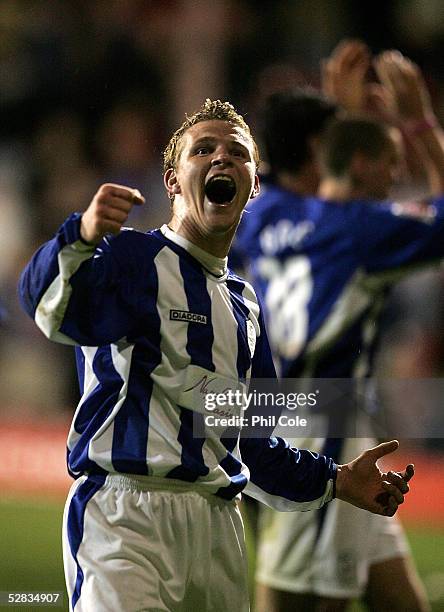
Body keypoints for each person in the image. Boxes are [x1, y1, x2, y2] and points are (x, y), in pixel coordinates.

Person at [19, 99, 413, 612]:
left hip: (217, 530)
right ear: (173, 180)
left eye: (238, 152)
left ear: (252, 185)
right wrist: (79, 237)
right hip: (125, 520)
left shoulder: (245, 305)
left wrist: (336, 480)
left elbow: (254, 443)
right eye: (203, 149)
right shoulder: (133, 260)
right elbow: (45, 304)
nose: (221, 159)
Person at [232, 51, 441, 612]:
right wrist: (418, 123)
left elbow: (306, 193)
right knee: (294, 599)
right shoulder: (357, 230)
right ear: (321, 152)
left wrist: (346, 122)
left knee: (400, 600)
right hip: (325, 423)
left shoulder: (261, 217)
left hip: (274, 409)